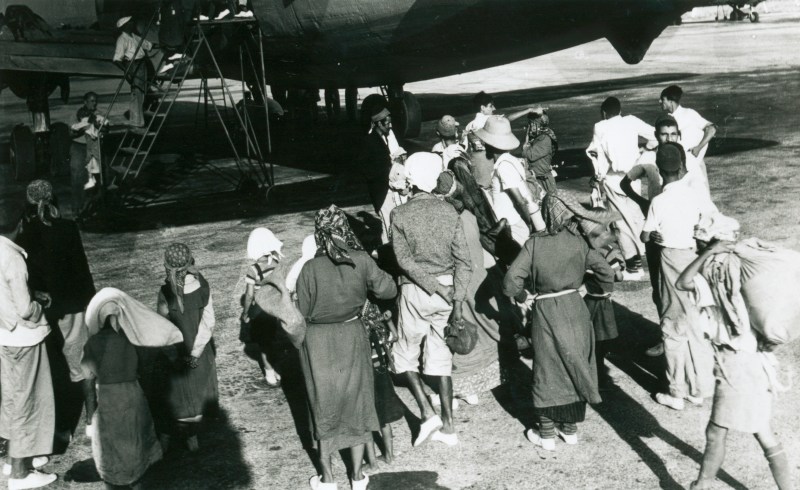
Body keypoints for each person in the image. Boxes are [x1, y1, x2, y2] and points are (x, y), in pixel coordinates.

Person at [674, 214, 793, 490]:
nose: (695, 242)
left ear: (711, 240)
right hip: (752, 359)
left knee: (716, 432)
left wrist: (709, 253)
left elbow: (683, 282)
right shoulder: (736, 267)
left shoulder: (715, 270)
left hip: (736, 363)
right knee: (761, 430)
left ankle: (701, 485)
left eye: (699, 239)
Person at [295, 205, 397, 490]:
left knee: (322, 405)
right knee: (356, 403)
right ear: (344, 229)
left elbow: (299, 312)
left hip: (316, 342)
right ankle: (357, 476)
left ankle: (327, 479)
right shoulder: (361, 260)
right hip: (352, 335)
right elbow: (389, 290)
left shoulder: (309, 268)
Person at [503, 193, 612, 451]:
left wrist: (523, 296)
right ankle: (570, 429)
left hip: (546, 311)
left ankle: (547, 434)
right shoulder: (579, 242)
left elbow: (510, 282)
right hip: (575, 309)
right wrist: (593, 289)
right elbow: (606, 272)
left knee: (547, 370)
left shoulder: (534, 244)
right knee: (575, 363)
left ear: (546, 212)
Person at [391, 153, 472, 447]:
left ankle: (427, 412)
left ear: (410, 179)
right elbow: (465, 262)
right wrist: (457, 300)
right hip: (449, 294)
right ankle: (449, 427)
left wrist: (433, 285)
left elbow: (404, 261)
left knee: (404, 355)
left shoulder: (399, 215)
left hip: (416, 291)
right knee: (441, 358)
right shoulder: (450, 212)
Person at [16, 180, 98, 439]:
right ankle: (91, 418)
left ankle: (62, 427)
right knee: (82, 365)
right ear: (54, 202)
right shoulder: (68, 228)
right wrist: (89, 302)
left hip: (42, 311)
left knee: (54, 369)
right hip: (72, 307)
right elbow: (81, 270)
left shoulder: (24, 233)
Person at [640, 143, 716, 410]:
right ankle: (699, 388)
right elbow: (707, 225)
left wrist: (655, 235)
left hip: (670, 261)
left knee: (672, 327)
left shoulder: (658, 201)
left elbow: (646, 235)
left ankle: (676, 391)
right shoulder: (695, 196)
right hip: (694, 259)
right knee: (694, 324)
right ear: (683, 167)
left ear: (660, 172)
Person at [83, 288, 180, 490]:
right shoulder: (132, 340)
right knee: (135, 437)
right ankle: (137, 479)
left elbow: (88, 382)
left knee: (112, 442)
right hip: (132, 394)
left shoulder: (92, 343)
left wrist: (90, 417)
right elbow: (143, 369)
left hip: (109, 398)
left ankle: (116, 478)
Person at [433, 170, 509, 406]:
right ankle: (483, 381)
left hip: (460, 282)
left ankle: (460, 388)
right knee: (482, 333)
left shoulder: (445, 222)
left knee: (460, 333)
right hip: (478, 278)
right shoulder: (468, 215)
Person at [0, 202, 57, 490]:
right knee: (29, 401)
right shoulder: (14, 258)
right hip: (25, 337)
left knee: (11, 399)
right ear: (20, 224)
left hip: (3, 336)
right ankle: (20, 474)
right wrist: (37, 309)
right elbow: (24, 309)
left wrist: (33, 295)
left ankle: (13, 458)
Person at [585, 96, 657, 280]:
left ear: (603, 113)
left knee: (620, 223)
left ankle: (634, 267)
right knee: (635, 218)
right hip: (633, 177)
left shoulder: (600, 126)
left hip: (613, 179)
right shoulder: (631, 121)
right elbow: (656, 135)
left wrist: (598, 176)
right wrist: (645, 151)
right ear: (620, 111)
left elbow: (598, 154)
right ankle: (644, 259)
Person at [156, 243, 219, 452]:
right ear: (190, 261)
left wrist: (173, 354)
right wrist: (195, 353)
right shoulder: (203, 285)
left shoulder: (165, 292)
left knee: (178, 397)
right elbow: (208, 322)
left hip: (177, 353)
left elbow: (162, 327)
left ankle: (173, 438)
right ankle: (194, 437)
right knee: (198, 396)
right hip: (199, 354)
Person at [476, 116, 546, 245]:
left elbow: (519, 199)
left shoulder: (504, 166)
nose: (484, 145)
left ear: (492, 144)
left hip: (512, 226)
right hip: (513, 223)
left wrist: (529, 224)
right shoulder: (511, 160)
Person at [360, 301, 404, 468]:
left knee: (366, 419)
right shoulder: (377, 314)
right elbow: (395, 336)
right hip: (382, 371)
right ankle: (389, 456)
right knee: (384, 418)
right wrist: (388, 321)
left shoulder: (354, 317)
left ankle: (372, 463)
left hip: (364, 373)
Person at [240, 227, 285, 387]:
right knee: (275, 340)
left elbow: (249, 295)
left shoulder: (253, 269)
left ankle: (269, 372)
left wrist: (246, 313)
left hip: (260, 311)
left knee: (264, 343)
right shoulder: (277, 263)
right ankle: (278, 369)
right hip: (277, 308)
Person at [357, 106, 405, 243]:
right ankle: (387, 255)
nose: (390, 126)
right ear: (378, 123)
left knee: (393, 223)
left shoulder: (384, 138)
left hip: (389, 189)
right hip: (381, 191)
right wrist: (386, 169)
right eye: (387, 123)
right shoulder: (369, 141)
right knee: (387, 225)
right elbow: (363, 168)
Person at [659, 85, 717, 190]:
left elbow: (711, 129)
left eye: (663, 99)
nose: (660, 102)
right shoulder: (668, 119)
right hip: (678, 171)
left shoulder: (689, 114)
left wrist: (699, 148)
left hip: (694, 170)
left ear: (671, 101)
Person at [113, 16, 155, 128]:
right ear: (126, 25)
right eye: (131, 22)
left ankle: (140, 120)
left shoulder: (134, 36)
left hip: (142, 65)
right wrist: (127, 71)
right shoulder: (122, 39)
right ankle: (136, 122)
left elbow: (148, 45)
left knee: (142, 92)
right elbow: (116, 59)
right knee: (136, 93)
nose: (133, 23)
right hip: (133, 65)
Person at [522, 112, 558, 195]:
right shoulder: (538, 137)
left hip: (544, 182)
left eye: (531, 124)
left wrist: (525, 146)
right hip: (537, 179)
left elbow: (530, 155)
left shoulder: (545, 139)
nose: (529, 127)